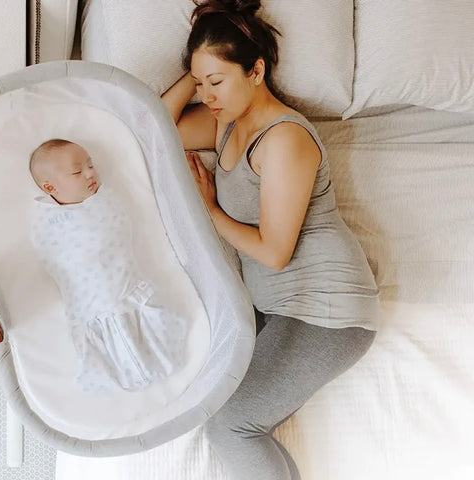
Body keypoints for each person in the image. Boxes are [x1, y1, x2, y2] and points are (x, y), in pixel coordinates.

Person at [161, 1, 380, 478]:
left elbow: (274, 252)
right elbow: (157, 128)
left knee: (230, 425)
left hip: (327, 312)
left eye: (217, 82)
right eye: (201, 84)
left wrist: (210, 209)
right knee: (213, 397)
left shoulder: (284, 140)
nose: (207, 95)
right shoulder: (226, 123)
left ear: (256, 70)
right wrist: (201, 61)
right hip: (283, 310)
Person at [28, 139, 188, 394]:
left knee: (139, 322)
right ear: (50, 187)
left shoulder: (104, 200)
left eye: (91, 165)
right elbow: (56, 257)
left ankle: (152, 361)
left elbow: (120, 228)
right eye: (77, 171)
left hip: (125, 287)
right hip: (92, 303)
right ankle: (125, 371)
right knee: (109, 335)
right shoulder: (50, 221)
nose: (90, 172)